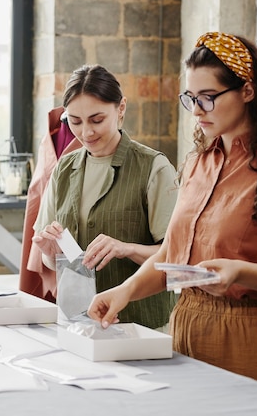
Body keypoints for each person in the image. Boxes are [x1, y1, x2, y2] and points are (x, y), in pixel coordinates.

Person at [87, 32, 257, 393]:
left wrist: (239, 272)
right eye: (191, 98)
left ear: (247, 91)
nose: (198, 110)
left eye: (208, 98)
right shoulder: (198, 164)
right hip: (185, 326)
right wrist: (125, 290)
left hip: (249, 339)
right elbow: (171, 255)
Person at [32, 64, 178, 330]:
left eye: (97, 120)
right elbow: (51, 261)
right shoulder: (63, 169)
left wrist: (128, 248)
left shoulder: (153, 167)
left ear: (121, 109)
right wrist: (50, 253)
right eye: (74, 121)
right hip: (77, 326)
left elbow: (178, 258)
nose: (86, 132)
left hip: (141, 328)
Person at [20, 106, 82, 302]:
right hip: (44, 224)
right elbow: (38, 190)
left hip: (74, 233)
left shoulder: (88, 141)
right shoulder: (49, 137)